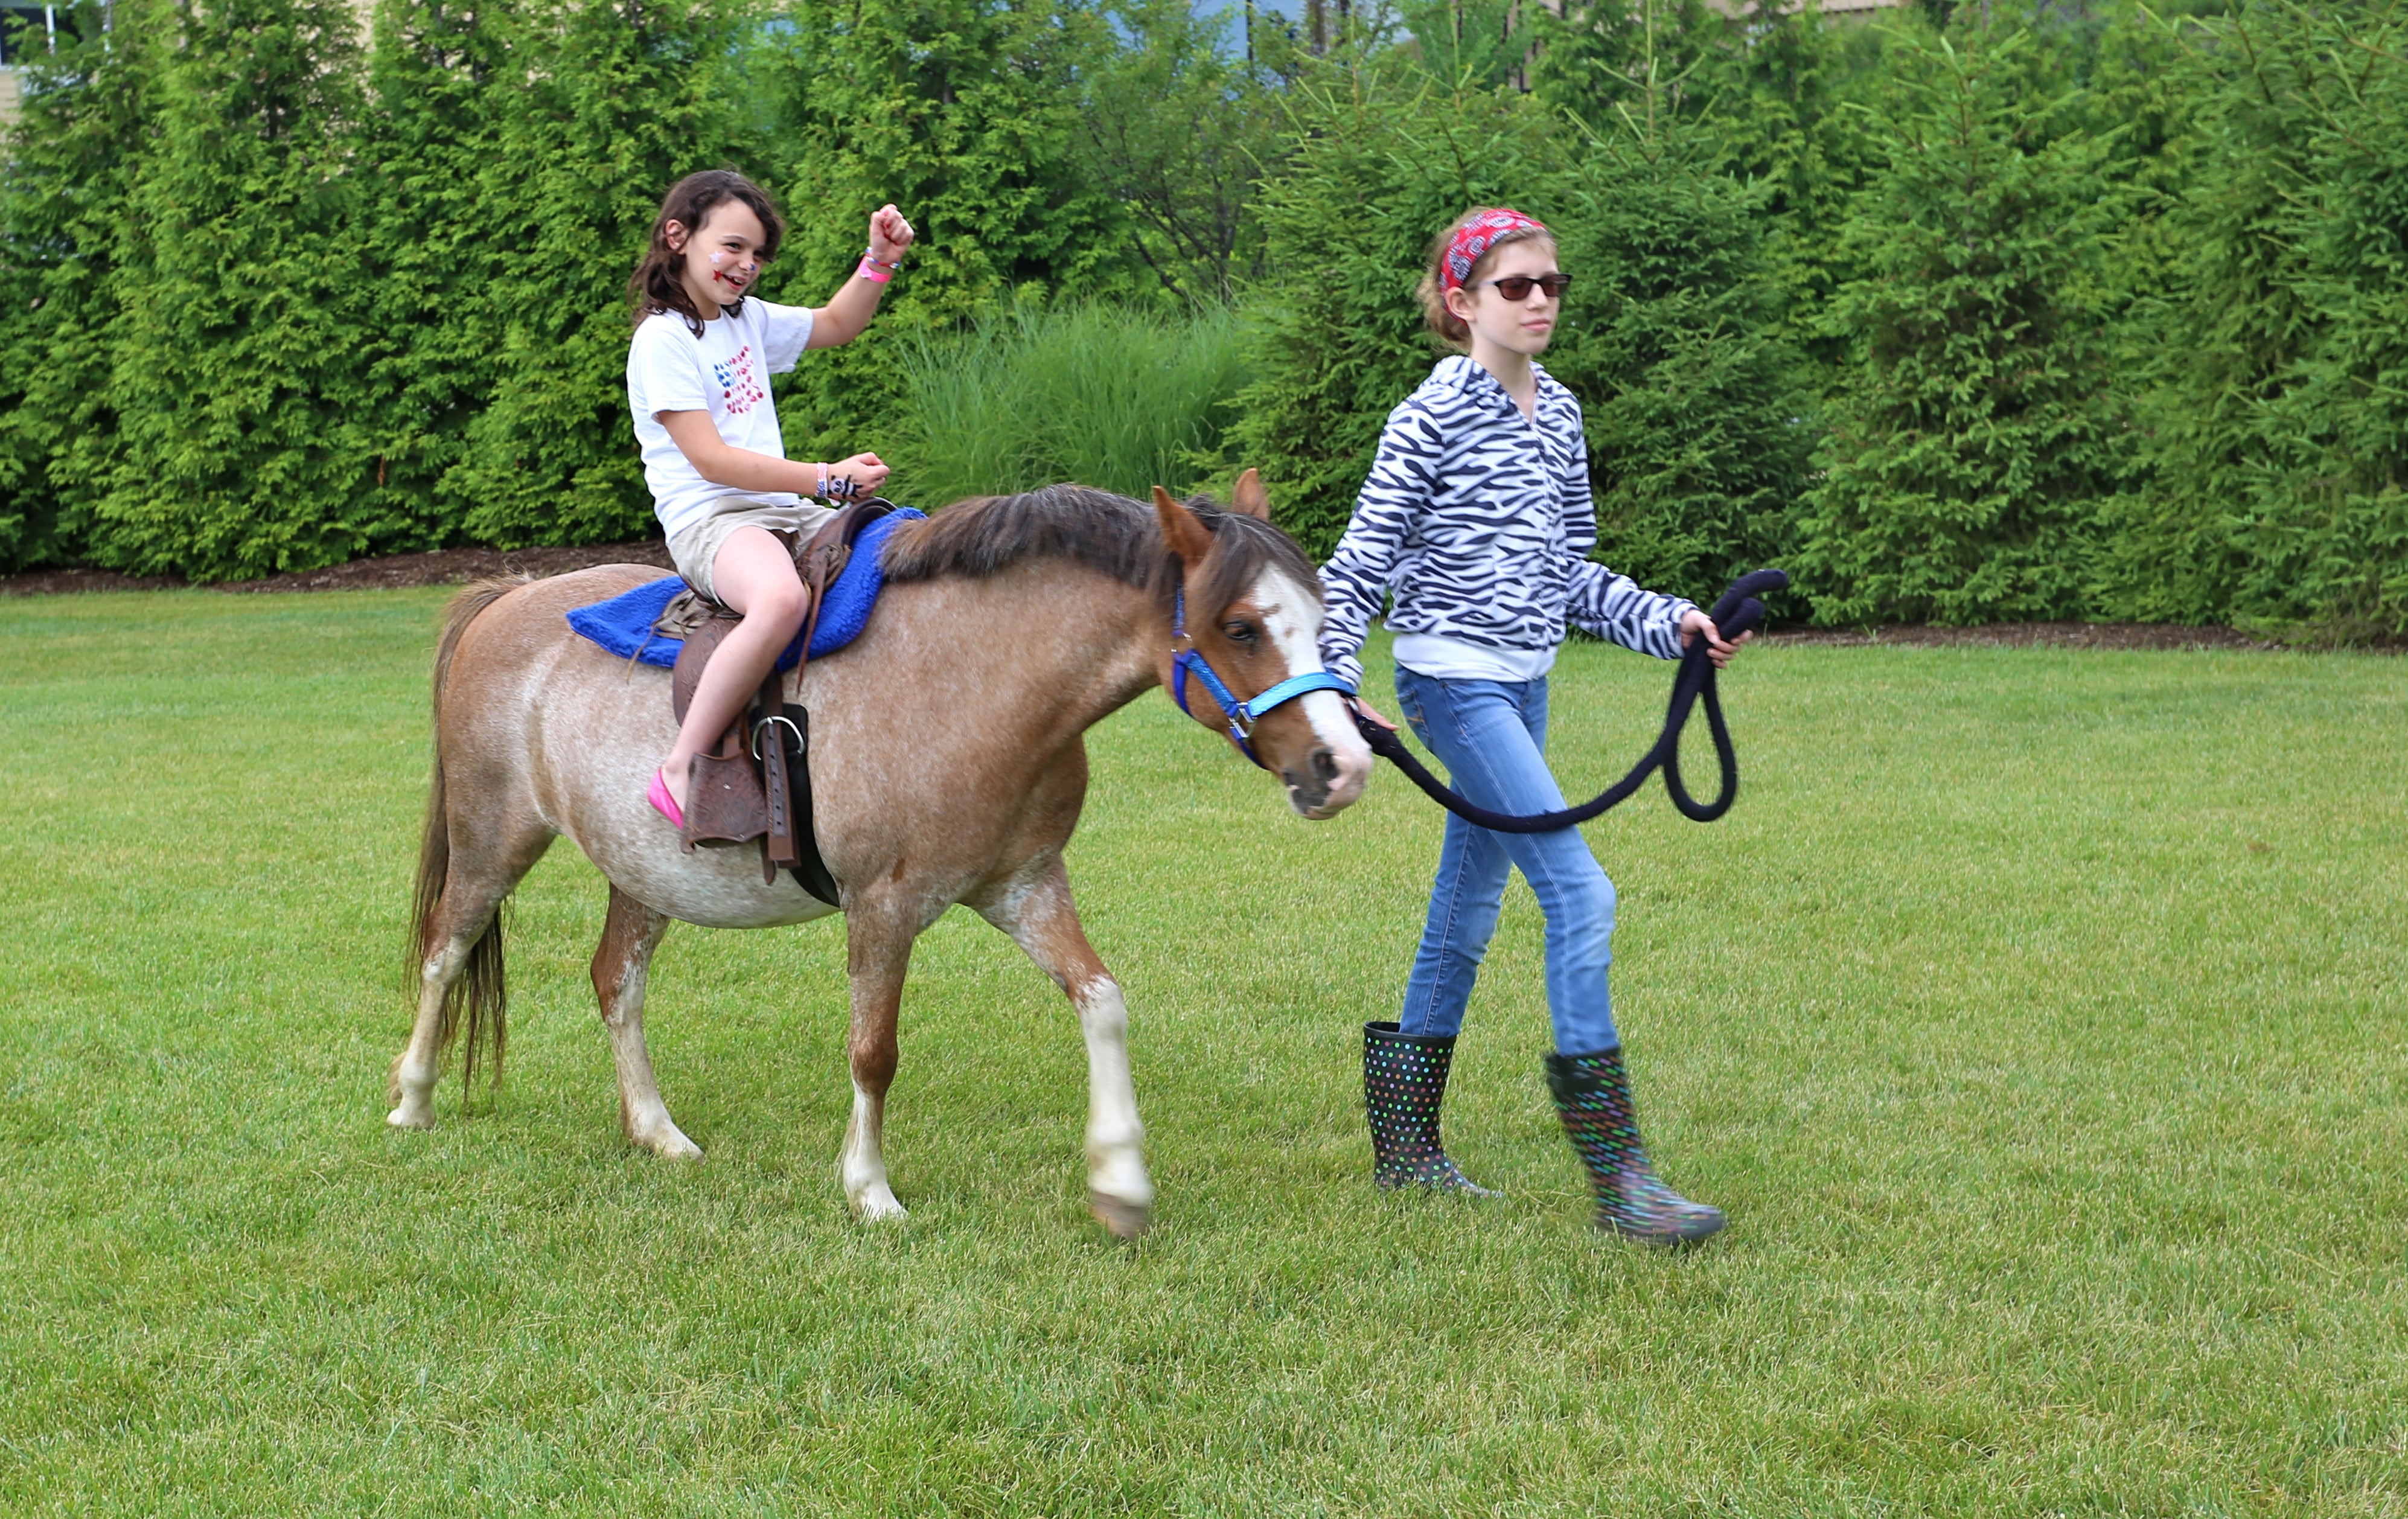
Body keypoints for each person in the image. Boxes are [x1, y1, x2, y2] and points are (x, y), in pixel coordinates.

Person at [1320, 207, 1749, 1244]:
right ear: (1462, 301)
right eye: (1515, 286)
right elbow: (1354, 570)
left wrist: (1669, 623)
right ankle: (1620, 1180)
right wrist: (1334, 686)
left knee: (1464, 912)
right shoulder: (1426, 418)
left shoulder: (1557, 414)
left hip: (1524, 686)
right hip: (1451, 688)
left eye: (1552, 283)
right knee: (1580, 892)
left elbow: (1567, 575)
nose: (1540, 300)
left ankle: (1406, 1153)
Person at [624, 170, 915, 828]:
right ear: (678, 237)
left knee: (901, 544)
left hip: (786, 509)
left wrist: (878, 262)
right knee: (780, 599)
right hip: (712, 520)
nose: (746, 265)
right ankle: (680, 764)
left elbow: (839, 323)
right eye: (731, 246)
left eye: (756, 254)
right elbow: (711, 459)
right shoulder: (662, 340)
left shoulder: (746, 320)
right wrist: (825, 479)